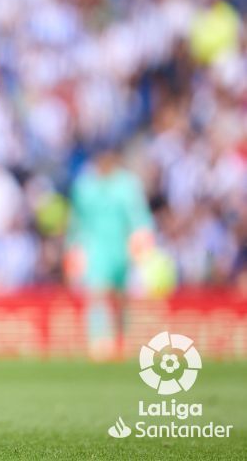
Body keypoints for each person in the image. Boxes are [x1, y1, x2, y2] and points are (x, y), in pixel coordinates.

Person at [66, 143, 156, 361]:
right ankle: (99, 342)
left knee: (121, 297)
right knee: (96, 293)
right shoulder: (85, 185)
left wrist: (143, 244)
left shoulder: (128, 185)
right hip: (94, 246)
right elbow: (76, 221)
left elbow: (139, 217)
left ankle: (122, 339)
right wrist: (73, 249)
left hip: (123, 247)